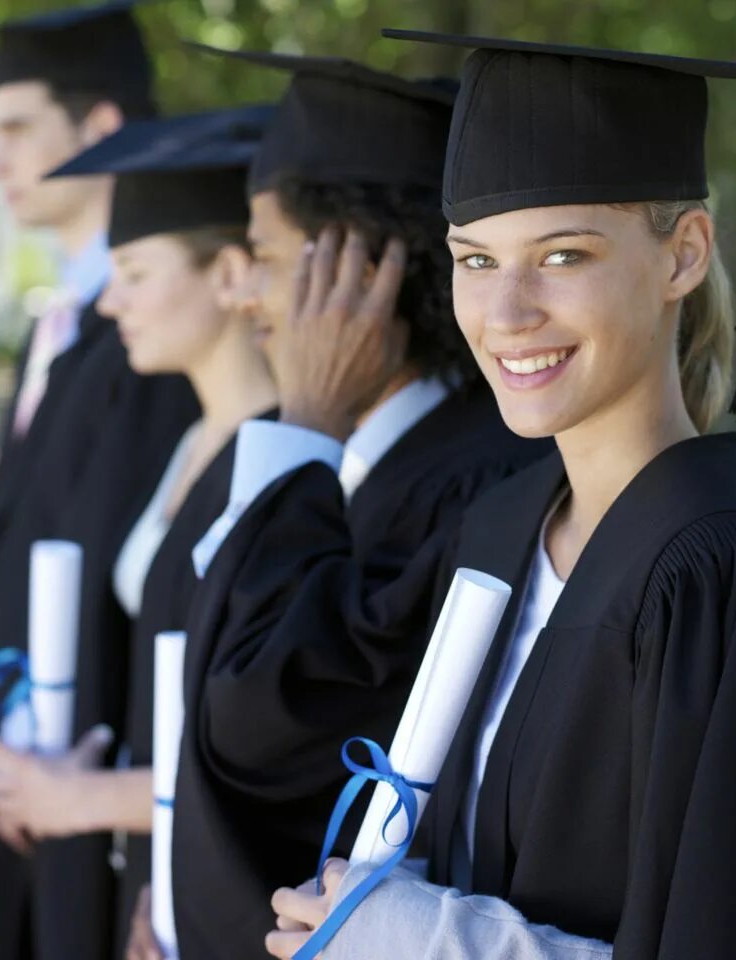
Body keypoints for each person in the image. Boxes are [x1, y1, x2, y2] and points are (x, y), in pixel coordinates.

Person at [267, 34, 736, 960]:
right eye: (475, 259)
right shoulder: (506, 521)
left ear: (682, 256)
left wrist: (418, 938)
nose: (508, 312)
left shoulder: (723, 569)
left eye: (562, 256)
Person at [124, 47, 549, 960]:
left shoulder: (475, 482)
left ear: (364, 270)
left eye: (267, 257)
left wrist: (307, 417)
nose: (245, 296)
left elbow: (258, 720)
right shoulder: (369, 459)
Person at [0, 104, 278, 959]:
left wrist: (79, 799)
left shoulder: (282, 467)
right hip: (143, 857)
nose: (113, 297)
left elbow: (275, 754)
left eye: (136, 271)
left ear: (230, 275)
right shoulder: (186, 441)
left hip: (220, 887)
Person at [0, 5, 197, 958]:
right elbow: (4, 533)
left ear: (100, 131)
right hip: (7, 778)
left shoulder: (159, 347)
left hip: (90, 792)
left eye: (14, 129)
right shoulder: (57, 325)